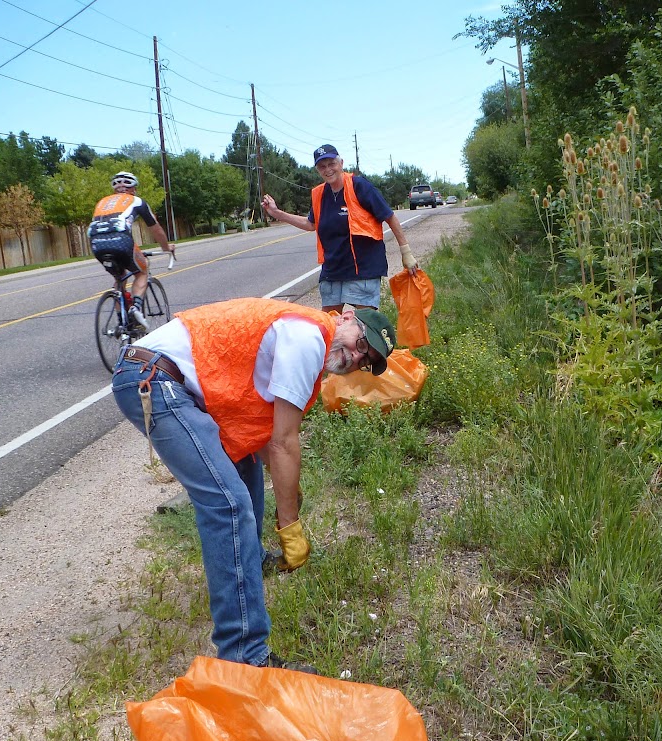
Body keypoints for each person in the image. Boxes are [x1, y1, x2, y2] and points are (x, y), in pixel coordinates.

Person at [111, 297, 397, 672]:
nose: (356, 358)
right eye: (362, 343)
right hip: (154, 380)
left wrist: (288, 494)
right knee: (227, 505)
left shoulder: (306, 333)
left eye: (367, 360)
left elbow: (261, 438)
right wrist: (290, 528)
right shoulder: (309, 336)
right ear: (345, 318)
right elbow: (283, 443)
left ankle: (250, 559)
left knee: (243, 460)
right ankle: (245, 656)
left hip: (158, 374)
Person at [261, 144, 419, 313]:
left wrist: (406, 252)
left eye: (331, 164)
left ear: (341, 163)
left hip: (363, 270)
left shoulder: (359, 186)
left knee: (363, 329)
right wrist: (278, 214)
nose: (327, 169)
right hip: (332, 272)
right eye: (322, 166)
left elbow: (389, 216)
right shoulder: (319, 194)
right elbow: (311, 224)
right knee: (329, 328)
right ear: (317, 170)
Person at [88, 171, 175, 330]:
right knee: (141, 272)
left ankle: (122, 323)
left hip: (95, 243)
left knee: (120, 277)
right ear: (133, 189)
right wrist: (166, 248)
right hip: (121, 240)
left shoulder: (102, 202)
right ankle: (135, 308)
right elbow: (156, 230)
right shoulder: (137, 201)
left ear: (115, 190)